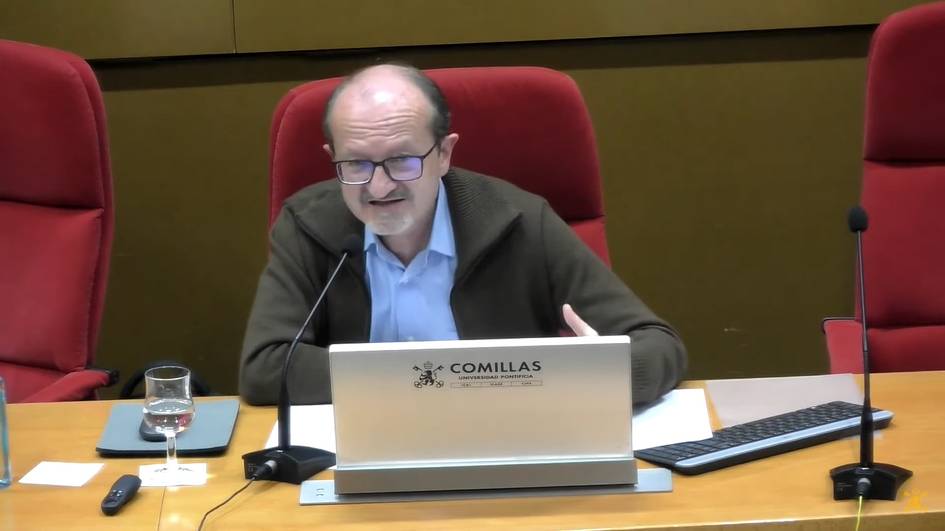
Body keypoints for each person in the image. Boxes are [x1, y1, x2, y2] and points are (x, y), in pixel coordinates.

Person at [240, 64, 686, 406]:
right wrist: (442, 379)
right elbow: (264, 368)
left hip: (505, 445)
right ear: (330, 157)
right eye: (355, 164)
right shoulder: (310, 227)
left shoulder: (521, 223)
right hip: (365, 447)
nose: (379, 187)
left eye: (402, 160)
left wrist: (597, 373)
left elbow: (659, 345)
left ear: (445, 154)